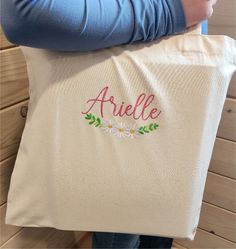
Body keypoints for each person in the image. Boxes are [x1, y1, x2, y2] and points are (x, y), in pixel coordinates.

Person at [0, 1, 217, 248]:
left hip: (175, 90)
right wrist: (173, 12)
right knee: (122, 227)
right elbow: (24, 15)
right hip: (129, 79)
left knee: (161, 223)